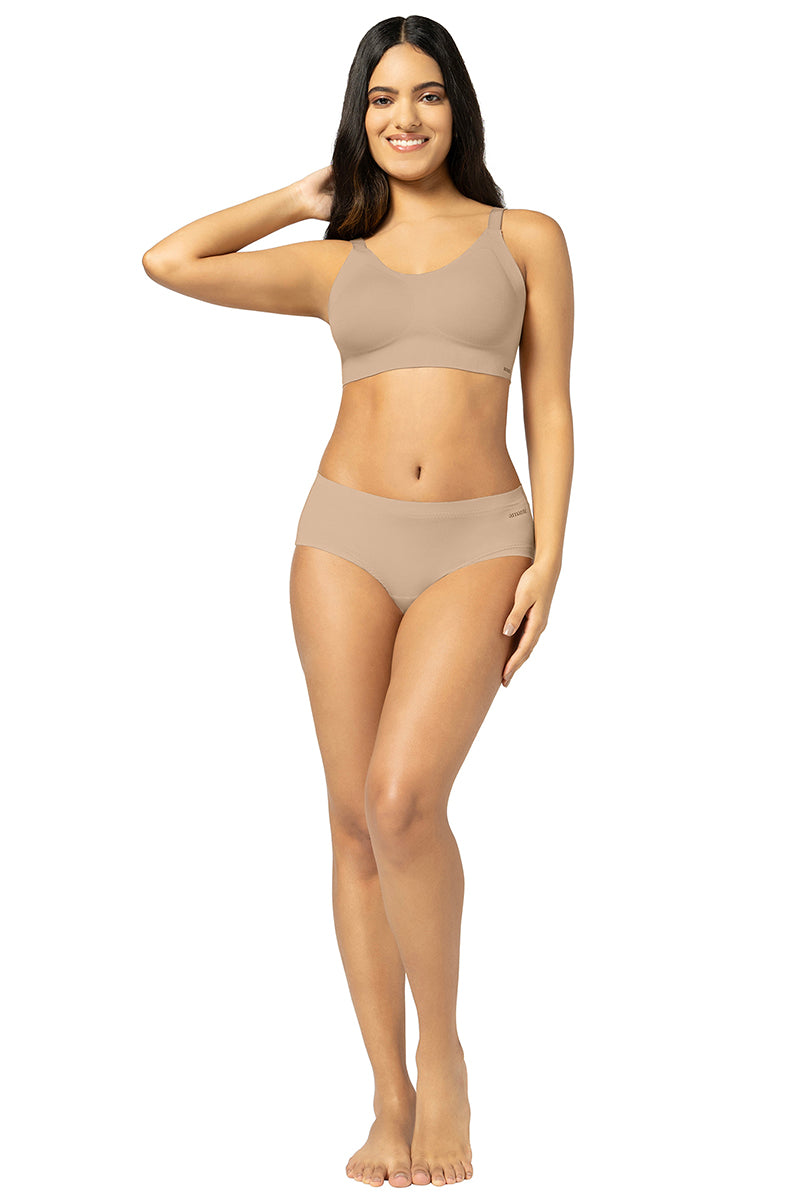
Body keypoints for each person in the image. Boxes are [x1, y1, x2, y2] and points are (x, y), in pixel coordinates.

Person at [142, 13, 574, 1189]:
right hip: (340, 540)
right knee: (349, 817)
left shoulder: (525, 237)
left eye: (426, 94)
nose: (405, 117)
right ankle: (387, 1093)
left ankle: (445, 1058)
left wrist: (549, 557)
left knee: (402, 799)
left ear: (456, 108)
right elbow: (169, 262)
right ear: (357, 117)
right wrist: (299, 195)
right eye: (381, 98)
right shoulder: (336, 261)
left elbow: (549, 403)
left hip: (478, 540)